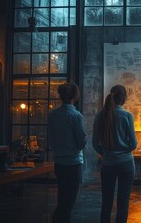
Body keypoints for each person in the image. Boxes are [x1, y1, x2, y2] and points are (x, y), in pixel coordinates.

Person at [92, 84, 138, 223]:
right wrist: (124, 150)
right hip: (126, 163)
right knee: (123, 202)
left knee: (106, 200)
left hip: (108, 163)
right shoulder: (127, 116)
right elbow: (134, 144)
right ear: (123, 99)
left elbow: (95, 143)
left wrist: (106, 153)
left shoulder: (100, 115)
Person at [48, 82, 87, 223]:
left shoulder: (53, 115)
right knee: (69, 202)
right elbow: (82, 142)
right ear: (75, 96)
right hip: (73, 163)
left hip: (59, 162)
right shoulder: (75, 115)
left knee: (62, 199)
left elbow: (51, 138)